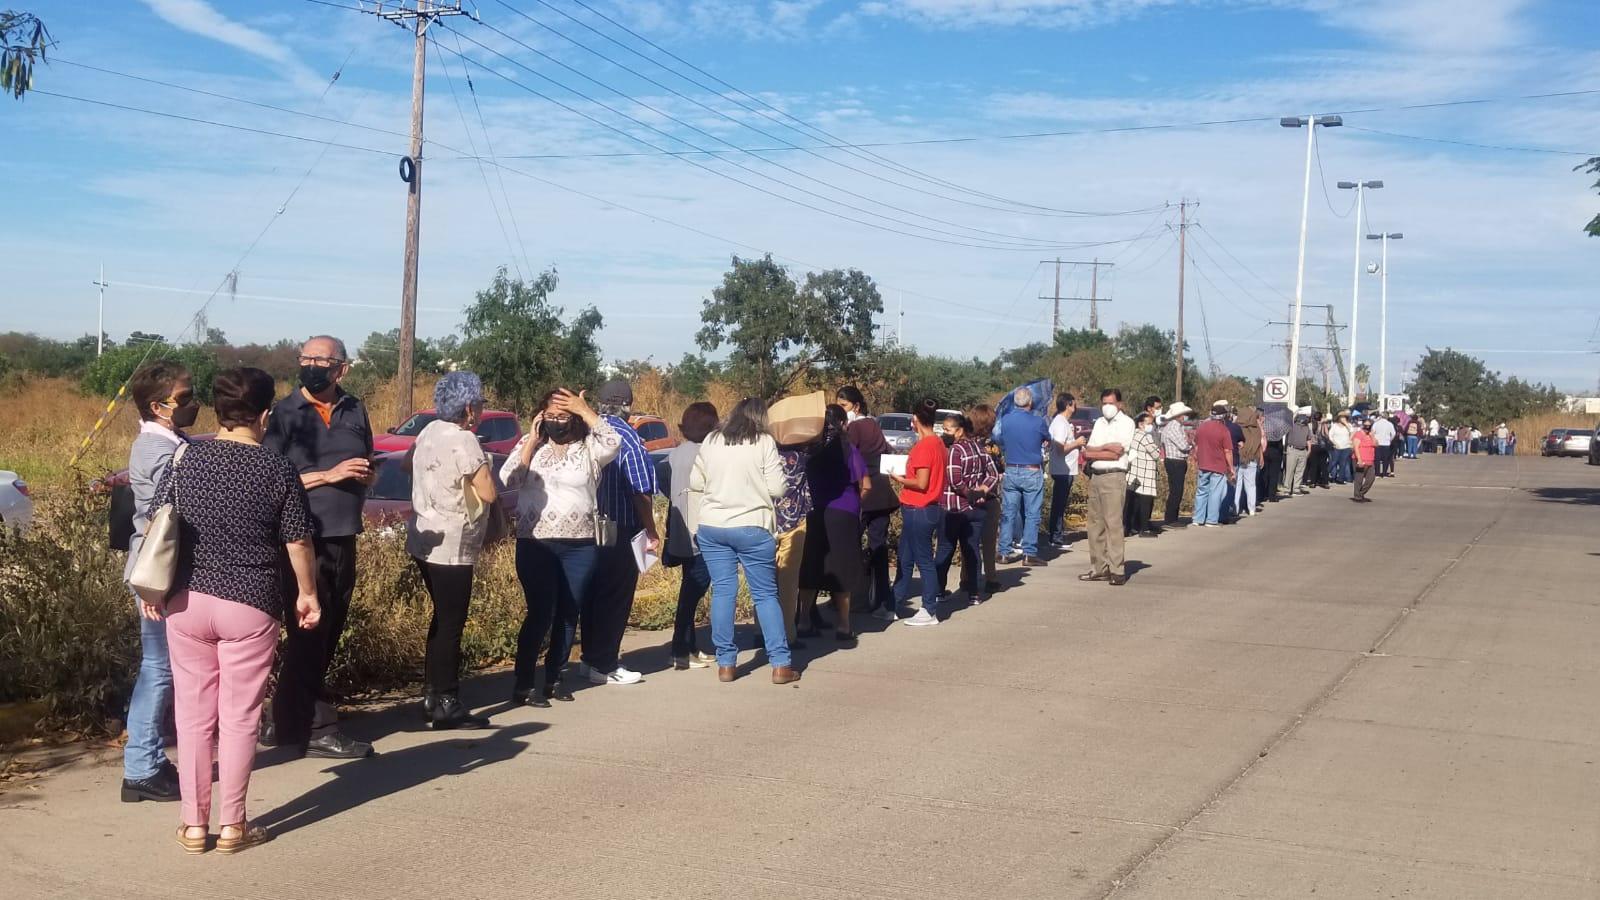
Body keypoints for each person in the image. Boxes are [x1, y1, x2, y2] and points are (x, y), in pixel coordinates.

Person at [148, 367, 321, 855]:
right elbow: (297, 539)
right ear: (265, 414)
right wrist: (307, 593)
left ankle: (192, 826)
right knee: (240, 718)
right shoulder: (277, 468)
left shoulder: (186, 460)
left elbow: (160, 526)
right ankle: (233, 826)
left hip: (186, 600)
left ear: (218, 412)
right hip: (251, 604)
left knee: (193, 715)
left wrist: (151, 588)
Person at [264, 336, 375, 760]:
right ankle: (318, 726)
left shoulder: (355, 408)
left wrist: (366, 476)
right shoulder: (285, 413)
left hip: (345, 534)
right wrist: (328, 476)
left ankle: (286, 718)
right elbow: (274, 479)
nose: (310, 366)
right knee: (311, 630)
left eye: (320, 360)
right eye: (305, 359)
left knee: (328, 633)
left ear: (341, 369)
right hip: (303, 540)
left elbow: (365, 459)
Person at [501, 388, 620, 703]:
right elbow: (509, 479)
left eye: (563, 416)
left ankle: (554, 678)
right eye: (550, 415)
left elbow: (614, 442)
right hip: (535, 543)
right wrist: (530, 440)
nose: (556, 421)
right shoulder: (530, 447)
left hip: (579, 546)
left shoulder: (589, 450)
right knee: (541, 612)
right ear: (540, 417)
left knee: (569, 612)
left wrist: (585, 410)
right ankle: (524, 683)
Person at [120, 361, 197, 804]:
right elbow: (160, 520)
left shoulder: (169, 440)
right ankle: (141, 768)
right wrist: (156, 588)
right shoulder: (154, 448)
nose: (191, 405)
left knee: (160, 667)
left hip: (160, 571)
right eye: (183, 399)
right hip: (157, 572)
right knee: (158, 669)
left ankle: (147, 760)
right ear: (158, 405)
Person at [405, 373, 496, 730]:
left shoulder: (427, 431)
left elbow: (404, 464)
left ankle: (431, 694)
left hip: (424, 537)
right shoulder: (465, 440)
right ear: (469, 407)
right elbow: (487, 492)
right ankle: (447, 700)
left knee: (441, 618)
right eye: (481, 403)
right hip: (454, 544)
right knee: (451, 624)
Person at [690, 398, 799, 684]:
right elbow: (777, 487)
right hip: (752, 524)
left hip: (713, 525)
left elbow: (696, 482)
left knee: (724, 591)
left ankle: (726, 663)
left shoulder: (712, 440)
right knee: (764, 594)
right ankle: (780, 664)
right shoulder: (763, 442)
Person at [581, 379, 659, 687]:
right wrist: (651, 529)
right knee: (616, 595)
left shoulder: (588, 429)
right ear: (627, 405)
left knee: (592, 595)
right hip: (620, 526)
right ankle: (606, 663)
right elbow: (641, 489)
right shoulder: (627, 435)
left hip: (587, 527)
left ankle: (590, 659)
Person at [797, 405, 869, 645]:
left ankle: (804, 620)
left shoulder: (808, 449)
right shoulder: (848, 448)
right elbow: (864, 484)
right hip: (844, 511)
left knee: (811, 564)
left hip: (814, 511)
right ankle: (844, 625)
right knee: (842, 569)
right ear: (841, 423)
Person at [657, 402, 718, 670]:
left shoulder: (675, 454)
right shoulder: (708, 454)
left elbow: (662, 481)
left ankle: (690, 646)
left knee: (689, 588)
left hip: (681, 531)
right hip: (703, 531)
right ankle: (680, 650)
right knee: (693, 592)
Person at [837, 386, 898, 620]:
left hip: (863, 496)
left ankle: (855, 599)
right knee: (878, 548)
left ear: (856, 406)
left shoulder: (854, 428)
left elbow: (847, 460)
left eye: (844, 406)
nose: (843, 411)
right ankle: (885, 602)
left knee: (850, 547)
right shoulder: (874, 425)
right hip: (882, 494)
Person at [892, 401, 949, 624]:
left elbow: (922, 482)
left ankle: (929, 608)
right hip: (921, 509)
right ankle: (894, 602)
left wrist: (900, 479)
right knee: (905, 557)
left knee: (923, 560)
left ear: (915, 419)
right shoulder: (937, 443)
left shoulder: (925, 446)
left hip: (921, 508)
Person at [936, 413, 999, 604]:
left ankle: (938, 591)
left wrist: (969, 492)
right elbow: (994, 473)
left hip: (953, 508)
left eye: (947, 429)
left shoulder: (955, 450)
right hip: (976, 509)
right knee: (972, 551)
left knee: (945, 549)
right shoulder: (978, 448)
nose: (944, 432)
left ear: (959, 430)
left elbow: (955, 481)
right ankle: (974, 593)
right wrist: (982, 490)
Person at [1079, 389, 1135, 584]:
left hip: (1114, 476)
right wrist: (1104, 448)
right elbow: (1088, 452)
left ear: (1120, 404)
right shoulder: (1100, 423)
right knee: (1095, 525)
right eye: (1104, 403)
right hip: (1096, 476)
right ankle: (1099, 567)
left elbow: (1117, 452)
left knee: (1113, 524)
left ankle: (1117, 570)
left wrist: (1098, 450)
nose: (1107, 407)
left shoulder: (1127, 423)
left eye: (1110, 403)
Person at [996, 388, 1051, 566]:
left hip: (1011, 468)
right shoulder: (1038, 421)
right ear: (1030, 402)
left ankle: (1004, 551)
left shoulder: (1006, 420)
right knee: (1032, 513)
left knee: (1008, 513)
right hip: (1031, 470)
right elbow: (1047, 439)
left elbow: (1000, 439)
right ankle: (1029, 553)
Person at [774, 444, 813, 638]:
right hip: (794, 521)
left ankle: (761, 630)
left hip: (766, 520)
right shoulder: (800, 456)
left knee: (763, 578)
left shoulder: (764, 452)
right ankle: (787, 632)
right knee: (788, 580)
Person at [968, 404, 1005, 597]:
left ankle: (967, 577)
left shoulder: (964, 444)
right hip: (989, 498)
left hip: (967, 498)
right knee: (989, 542)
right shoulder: (992, 447)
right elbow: (1000, 472)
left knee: (968, 540)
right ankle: (991, 578)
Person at [1046, 393, 1086, 550]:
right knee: (1058, 503)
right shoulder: (1060, 424)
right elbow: (1060, 448)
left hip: (1066, 469)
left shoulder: (1063, 422)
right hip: (1062, 469)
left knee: (1060, 503)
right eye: (1073, 404)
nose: (1075, 407)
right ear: (1069, 405)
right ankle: (1055, 536)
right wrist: (1077, 443)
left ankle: (1057, 534)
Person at [1191, 402, 1236, 527]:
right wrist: (1231, 467)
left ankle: (1198, 518)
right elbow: (1228, 451)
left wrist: (1197, 459)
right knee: (1215, 493)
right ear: (1223, 416)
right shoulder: (1224, 430)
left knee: (1201, 491)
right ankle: (1211, 519)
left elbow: (1197, 446)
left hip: (1203, 464)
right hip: (1218, 466)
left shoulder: (1202, 427)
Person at [1123, 411, 1161, 539]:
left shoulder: (1133, 434)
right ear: (1141, 424)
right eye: (1149, 423)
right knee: (1145, 502)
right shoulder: (1145, 436)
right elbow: (1156, 453)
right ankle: (1144, 529)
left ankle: (1130, 527)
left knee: (1133, 503)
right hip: (1145, 472)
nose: (1151, 426)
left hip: (1135, 472)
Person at [1158, 402, 1193, 528]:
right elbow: (1183, 445)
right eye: (1184, 414)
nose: (1185, 416)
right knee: (1176, 491)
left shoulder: (1175, 426)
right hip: (1175, 461)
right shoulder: (1173, 427)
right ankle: (1170, 519)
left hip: (1175, 460)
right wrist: (1190, 444)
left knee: (1176, 490)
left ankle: (1172, 517)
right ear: (1179, 415)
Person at [1234, 406, 1263, 517]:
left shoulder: (1237, 427)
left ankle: (1235, 509)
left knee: (1237, 485)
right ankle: (1251, 509)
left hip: (1239, 458)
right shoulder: (1256, 429)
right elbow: (1259, 445)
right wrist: (1260, 457)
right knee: (1251, 486)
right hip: (1252, 459)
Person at [1282, 407, 1313, 497]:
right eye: (1302, 418)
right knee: (1290, 470)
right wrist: (1296, 412)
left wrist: (1309, 449)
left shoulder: (1307, 427)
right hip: (1292, 449)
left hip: (1303, 450)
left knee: (1300, 471)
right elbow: (1290, 419)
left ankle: (1296, 488)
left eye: (1305, 418)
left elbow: (1308, 439)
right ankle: (1287, 489)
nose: (1304, 420)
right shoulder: (1291, 426)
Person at [1261, 405, 1288, 503]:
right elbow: (1280, 442)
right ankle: (1272, 495)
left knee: (1265, 473)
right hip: (1276, 452)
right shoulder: (1279, 426)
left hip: (1265, 451)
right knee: (1274, 475)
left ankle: (1263, 494)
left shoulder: (1263, 425)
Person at [1352, 416, 1377, 502]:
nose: (1367, 428)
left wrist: (1372, 436)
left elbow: (1376, 444)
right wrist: (1359, 459)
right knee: (1359, 478)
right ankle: (1357, 496)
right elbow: (1356, 447)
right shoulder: (1359, 434)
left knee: (1371, 478)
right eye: (1365, 425)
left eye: (1369, 426)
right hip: (1360, 459)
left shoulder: (1371, 434)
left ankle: (1361, 493)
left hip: (1370, 460)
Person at [1326, 411, 1354, 485]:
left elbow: (1352, 432)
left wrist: (1346, 424)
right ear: (1339, 418)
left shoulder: (1349, 425)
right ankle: (1325, 475)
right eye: (1342, 417)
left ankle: (1340, 479)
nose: (1343, 418)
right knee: (1333, 462)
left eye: (1344, 417)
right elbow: (1330, 435)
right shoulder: (1334, 426)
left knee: (1343, 463)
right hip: (1337, 447)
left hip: (1346, 447)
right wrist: (1334, 443)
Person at [1306, 410, 1330, 490]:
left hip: (1313, 446)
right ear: (1321, 417)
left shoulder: (1309, 425)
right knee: (1323, 465)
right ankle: (1325, 482)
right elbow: (1326, 435)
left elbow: (1307, 436)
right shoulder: (1323, 424)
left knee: (1313, 465)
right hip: (1322, 446)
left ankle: (1313, 482)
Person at [1372, 412, 1397, 478]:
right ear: (1387, 417)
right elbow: (1393, 433)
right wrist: (1390, 440)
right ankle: (1384, 473)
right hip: (1386, 443)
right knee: (1385, 459)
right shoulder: (1390, 424)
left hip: (1378, 443)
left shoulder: (1376, 423)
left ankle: (1377, 473)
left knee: (1377, 459)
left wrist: (1374, 440)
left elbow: (1372, 432)